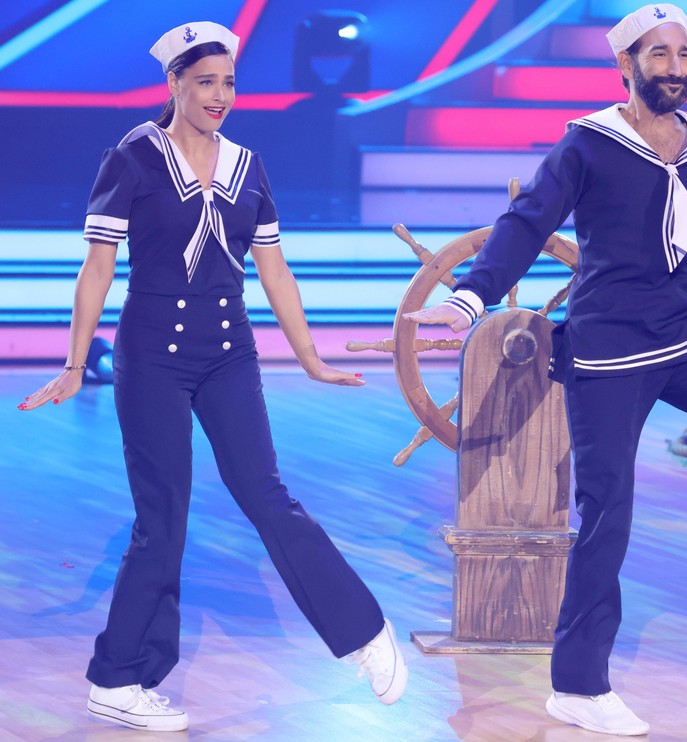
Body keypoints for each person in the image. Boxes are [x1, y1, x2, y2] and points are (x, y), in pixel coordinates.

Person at [406, 4, 687, 736]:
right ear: (626, 65)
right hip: (604, 344)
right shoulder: (588, 144)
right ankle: (578, 687)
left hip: (682, 329)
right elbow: (527, 222)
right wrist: (468, 299)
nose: (676, 68)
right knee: (607, 513)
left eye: (683, 55)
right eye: (660, 56)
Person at [18, 21, 406, 733]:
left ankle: (361, 631)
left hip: (229, 349)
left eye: (228, 82)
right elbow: (97, 267)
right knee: (161, 519)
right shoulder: (135, 156)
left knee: (267, 494)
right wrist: (76, 364)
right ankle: (118, 680)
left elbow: (275, 268)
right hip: (152, 355)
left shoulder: (247, 165)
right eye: (205, 82)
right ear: (174, 85)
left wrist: (311, 357)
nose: (220, 95)